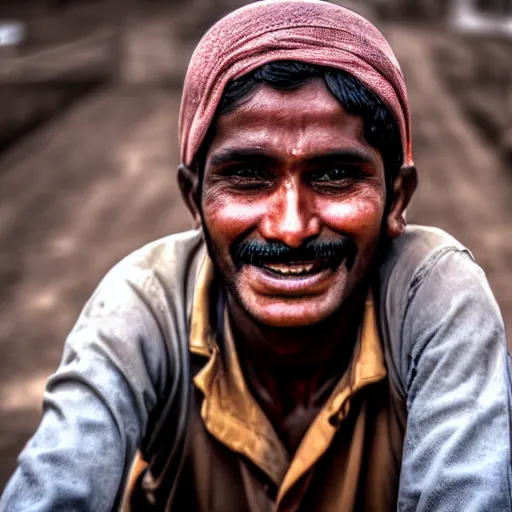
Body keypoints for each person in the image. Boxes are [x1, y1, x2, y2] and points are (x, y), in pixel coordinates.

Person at [1, 1, 511, 511]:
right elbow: (58, 479)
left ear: (396, 200)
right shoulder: (144, 304)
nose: (291, 228)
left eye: (335, 175)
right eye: (247, 175)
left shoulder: (433, 295)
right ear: (194, 201)